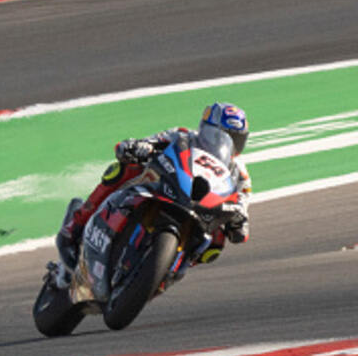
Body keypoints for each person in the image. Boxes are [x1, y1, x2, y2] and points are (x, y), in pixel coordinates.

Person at [55, 102, 252, 272]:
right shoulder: (182, 136)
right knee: (124, 168)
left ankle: (169, 269)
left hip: (201, 209)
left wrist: (239, 221)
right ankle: (75, 226)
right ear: (204, 128)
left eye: (235, 140)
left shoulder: (239, 173)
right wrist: (139, 147)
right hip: (166, 188)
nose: (225, 143)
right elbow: (153, 141)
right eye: (217, 135)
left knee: (216, 244)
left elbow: (242, 203)